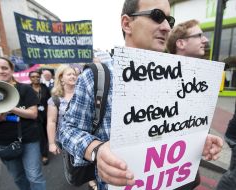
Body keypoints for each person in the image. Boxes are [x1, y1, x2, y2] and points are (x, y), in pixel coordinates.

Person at [58, 0, 223, 189]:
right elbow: (66, 130)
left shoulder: (179, 77)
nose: (167, 27)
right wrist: (96, 149)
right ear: (127, 24)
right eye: (157, 16)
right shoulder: (98, 76)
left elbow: (172, 127)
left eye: (169, 19)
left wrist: (196, 140)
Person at [0, 56, 46, 190]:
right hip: (4, 142)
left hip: (29, 139)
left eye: (4, 68)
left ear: (11, 70)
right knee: (18, 176)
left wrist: (10, 107)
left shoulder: (24, 89)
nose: (1, 71)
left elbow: (33, 113)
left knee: (34, 176)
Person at [166, 19, 211, 190]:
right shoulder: (158, 75)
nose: (205, 40)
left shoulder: (201, 77)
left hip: (187, 166)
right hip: (161, 170)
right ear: (181, 43)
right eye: (199, 35)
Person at [29, 70, 51, 165]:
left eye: (37, 76)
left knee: (47, 133)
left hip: (46, 114)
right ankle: (44, 154)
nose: (35, 78)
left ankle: (49, 145)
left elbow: (50, 100)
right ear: (30, 78)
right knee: (40, 134)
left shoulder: (44, 87)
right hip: (35, 116)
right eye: (33, 77)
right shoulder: (28, 89)